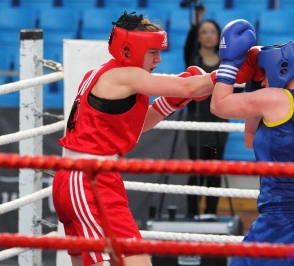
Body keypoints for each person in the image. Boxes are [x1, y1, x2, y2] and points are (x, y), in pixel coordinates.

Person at [52, 11, 215, 266]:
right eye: (153, 52)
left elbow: (135, 126)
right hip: (90, 180)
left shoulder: (105, 74)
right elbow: (190, 88)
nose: (159, 60)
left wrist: (168, 105)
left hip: (79, 177)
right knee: (136, 260)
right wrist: (233, 72)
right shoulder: (128, 76)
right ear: (132, 49)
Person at [210, 19, 294, 265]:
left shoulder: (277, 98)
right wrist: (253, 87)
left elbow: (218, 105)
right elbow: (251, 140)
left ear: (282, 69)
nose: (263, 81)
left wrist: (230, 64)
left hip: (285, 220)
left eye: (265, 75)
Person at [183, 6, 234, 219]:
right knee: (196, 170)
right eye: (204, 32)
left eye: (212, 31)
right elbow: (187, 46)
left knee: (214, 171)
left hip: (219, 122)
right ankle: (193, 214)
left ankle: (211, 214)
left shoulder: (227, 62)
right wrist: (196, 22)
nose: (208, 35)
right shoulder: (192, 59)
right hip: (195, 122)